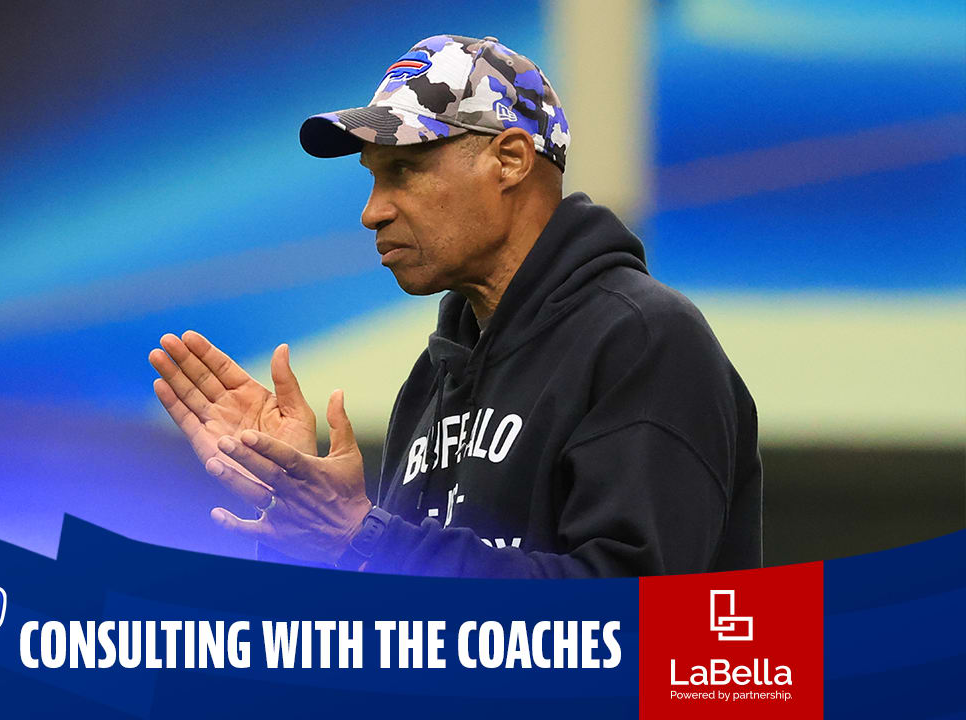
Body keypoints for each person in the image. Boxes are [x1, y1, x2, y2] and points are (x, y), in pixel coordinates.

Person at [148, 35, 761, 578]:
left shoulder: (642, 339)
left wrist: (362, 535)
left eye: (405, 169)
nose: (373, 211)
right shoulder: (433, 378)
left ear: (511, 160)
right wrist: (306, 521)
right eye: (372, 178)